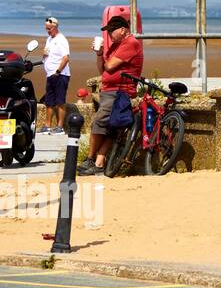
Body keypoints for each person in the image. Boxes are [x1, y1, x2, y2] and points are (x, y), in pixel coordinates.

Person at [80, 15, 144, 176]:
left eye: (111, 31)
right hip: (109, 90)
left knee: (99, 123)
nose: (108, 35)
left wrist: (104, 56)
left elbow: (109, 67)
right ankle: (98, 163)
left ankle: (90, 158)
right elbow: (102, 70)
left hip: (120, 91)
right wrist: (100, 54)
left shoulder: (130, 43)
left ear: (123, 30)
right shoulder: (116, 45)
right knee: (110, 127)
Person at [39, 16, 71, 135]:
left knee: (60, 101)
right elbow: (47, 55)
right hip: (50, 75)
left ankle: (60, 127)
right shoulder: (49, 39)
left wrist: (57, 72)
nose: (48, 31)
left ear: (55, 27)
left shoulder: (61, 39)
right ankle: (47, 126)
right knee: (49, 101)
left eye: (49, 29)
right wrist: (44, 57)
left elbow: (66, 58)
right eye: (46, 28)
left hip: (60, 75)